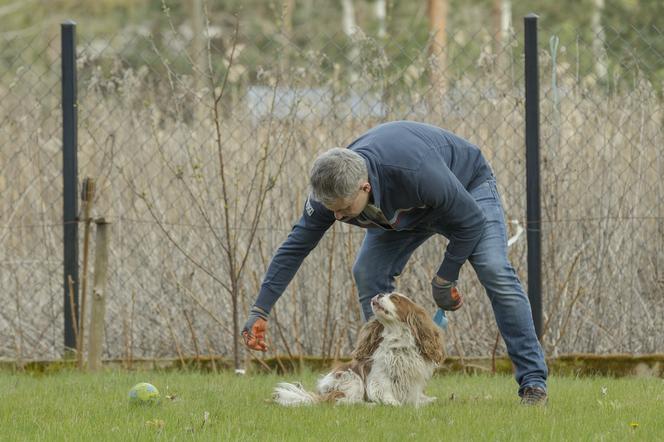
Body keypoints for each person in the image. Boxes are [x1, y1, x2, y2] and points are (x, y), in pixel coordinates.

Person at [241, 120, 548, 405]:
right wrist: (260, 309)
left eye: (345, 210)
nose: (337, 217)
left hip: (467, 190)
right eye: (332, 210)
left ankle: (533, 383)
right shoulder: (331, 192)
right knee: (368, 271)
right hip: (402, 212)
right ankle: (381, 385)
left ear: (365, 187)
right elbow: (295, 246)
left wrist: (445, 279)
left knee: (494, 269)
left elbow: (470, 221)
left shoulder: (414, 171)